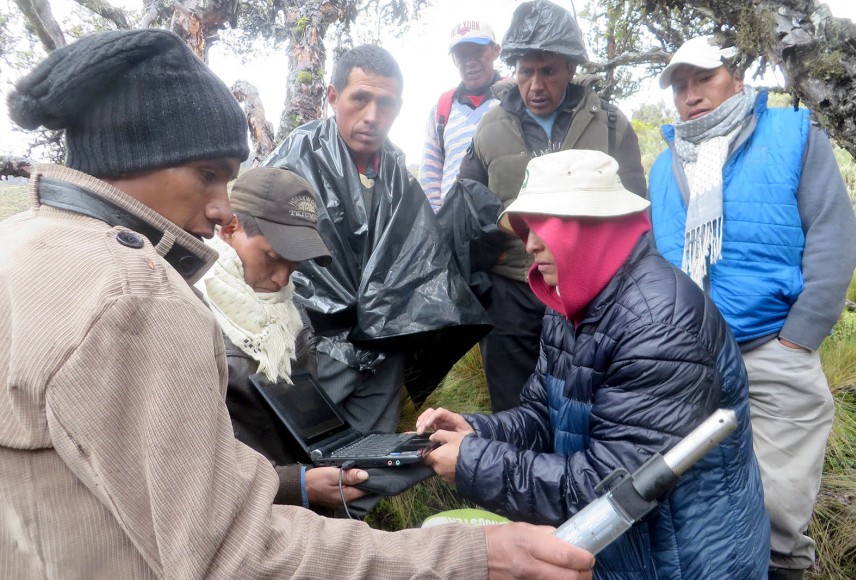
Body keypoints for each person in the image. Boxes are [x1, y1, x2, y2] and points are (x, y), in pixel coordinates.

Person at [0, 28, 596, 579]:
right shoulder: (139, 296)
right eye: (207, 174)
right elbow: (235, 553)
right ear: (135, 152)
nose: (218, 208)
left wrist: (303, 481)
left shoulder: (24, 243)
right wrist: (467, 555)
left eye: (227, 180)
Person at [417, 150, 770, 579]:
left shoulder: (658, 324)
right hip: (620, 551)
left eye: (544, 224)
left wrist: (474, 462)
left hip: (683, 560)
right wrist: (477, 432)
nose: (528, 243)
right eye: (527, 227)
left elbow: (614, 486)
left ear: (593, 226)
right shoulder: (571, 302)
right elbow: (545, 413)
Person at [648, 36, 856, 580]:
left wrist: (800, 335)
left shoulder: (793, 134)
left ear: (736, 77)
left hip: (774, 347)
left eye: (704, 78)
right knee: (698, 498)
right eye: (680, 85)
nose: (691, 95)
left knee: (777, 508)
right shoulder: (663, 164)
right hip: (689, 358)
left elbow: (835, 237)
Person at [264, 44, 490, 433]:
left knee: (368, 462)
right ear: (333, 97)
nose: (372, 116)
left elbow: (420, 258)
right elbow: (267, 255)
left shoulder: (399, 174)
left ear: (398, 107)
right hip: (316, 344)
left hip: (384, 344)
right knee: (300, 445)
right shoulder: (296, 159)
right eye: (360, 99)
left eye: (385, 104)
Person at [458, 0, 647, 412]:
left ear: (571, 69)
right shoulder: (488, 129)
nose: (535, 86)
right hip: (510, 289)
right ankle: (511, 473)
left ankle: (578, 475)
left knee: (587, 402)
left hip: (592, 290)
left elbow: (637, 213)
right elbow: (466, 212)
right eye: (526, 71)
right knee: (514, 406)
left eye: (548, 71)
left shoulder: (610, 123)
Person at [196, 166, 372, 511]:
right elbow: (193, 461)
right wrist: (295, 485)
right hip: (239, 512)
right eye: (273, 257)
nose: (281, 279)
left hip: (300, 497)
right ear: (231, 229)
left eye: (295, 265)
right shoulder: (192, 309)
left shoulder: (291, 313)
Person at [420, 20, 503, 211]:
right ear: (453, 59)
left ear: (495, 51)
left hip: (506, 223)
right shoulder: (442, 108)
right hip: (455, 227)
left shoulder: (515, 98)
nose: (470, 62)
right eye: (462, 55)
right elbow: (430, 178)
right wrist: (437, 227)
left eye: (478, 52)